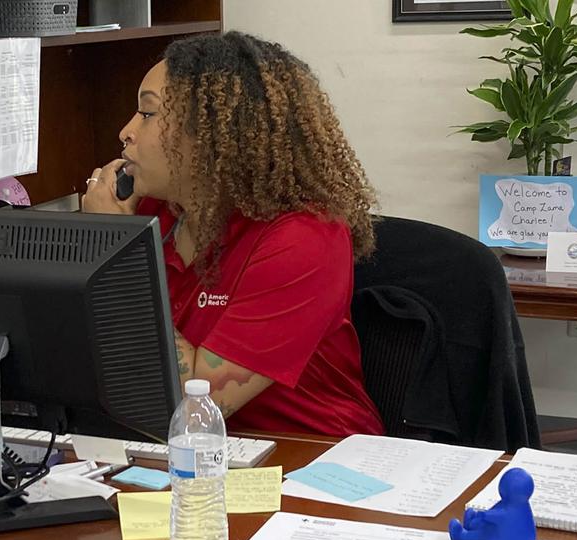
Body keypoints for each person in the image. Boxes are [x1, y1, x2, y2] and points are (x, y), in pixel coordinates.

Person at [82, 31, 384, 437]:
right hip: (184, 454)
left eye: (148, 114)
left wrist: (117, 250)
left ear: (213, 132)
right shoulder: (151, 210)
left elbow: (195, 408)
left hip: (308, 460)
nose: (127, 131)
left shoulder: (305, 239)